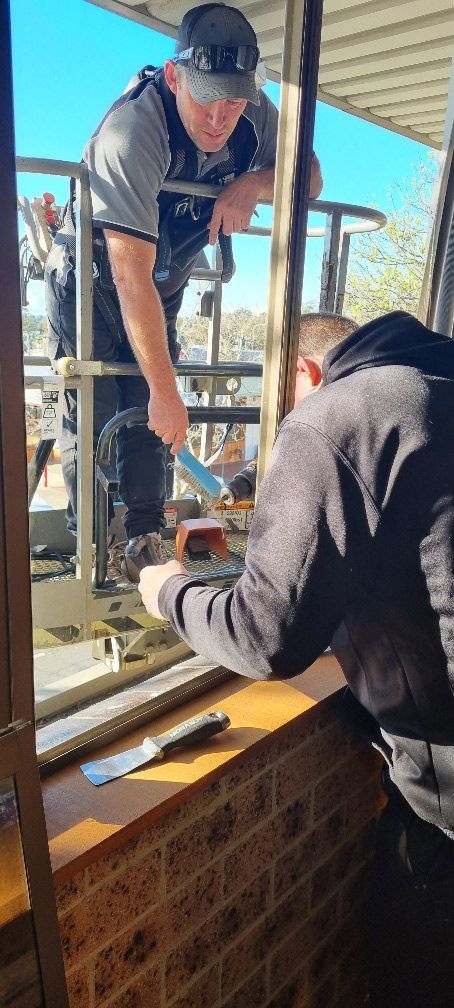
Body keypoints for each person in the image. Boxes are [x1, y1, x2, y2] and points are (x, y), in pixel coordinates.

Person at [139, 309, 454, 1008]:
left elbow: (262, 636)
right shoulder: (437, 389)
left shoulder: (335, 417)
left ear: (307, 374)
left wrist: (168, 593)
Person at [44, 1, 323, 582]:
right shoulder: (132, 132)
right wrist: (164, 388)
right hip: (93, 279)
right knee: (96, 402)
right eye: (206, 99)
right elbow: (129, 275)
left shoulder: (256, 111)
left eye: (233, 102)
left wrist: (254, 183)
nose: (220, 119)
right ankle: (92, 549)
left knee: (152, 417)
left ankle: (144, 542)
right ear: (174, 77)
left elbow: (311, 177)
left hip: (163, 281)